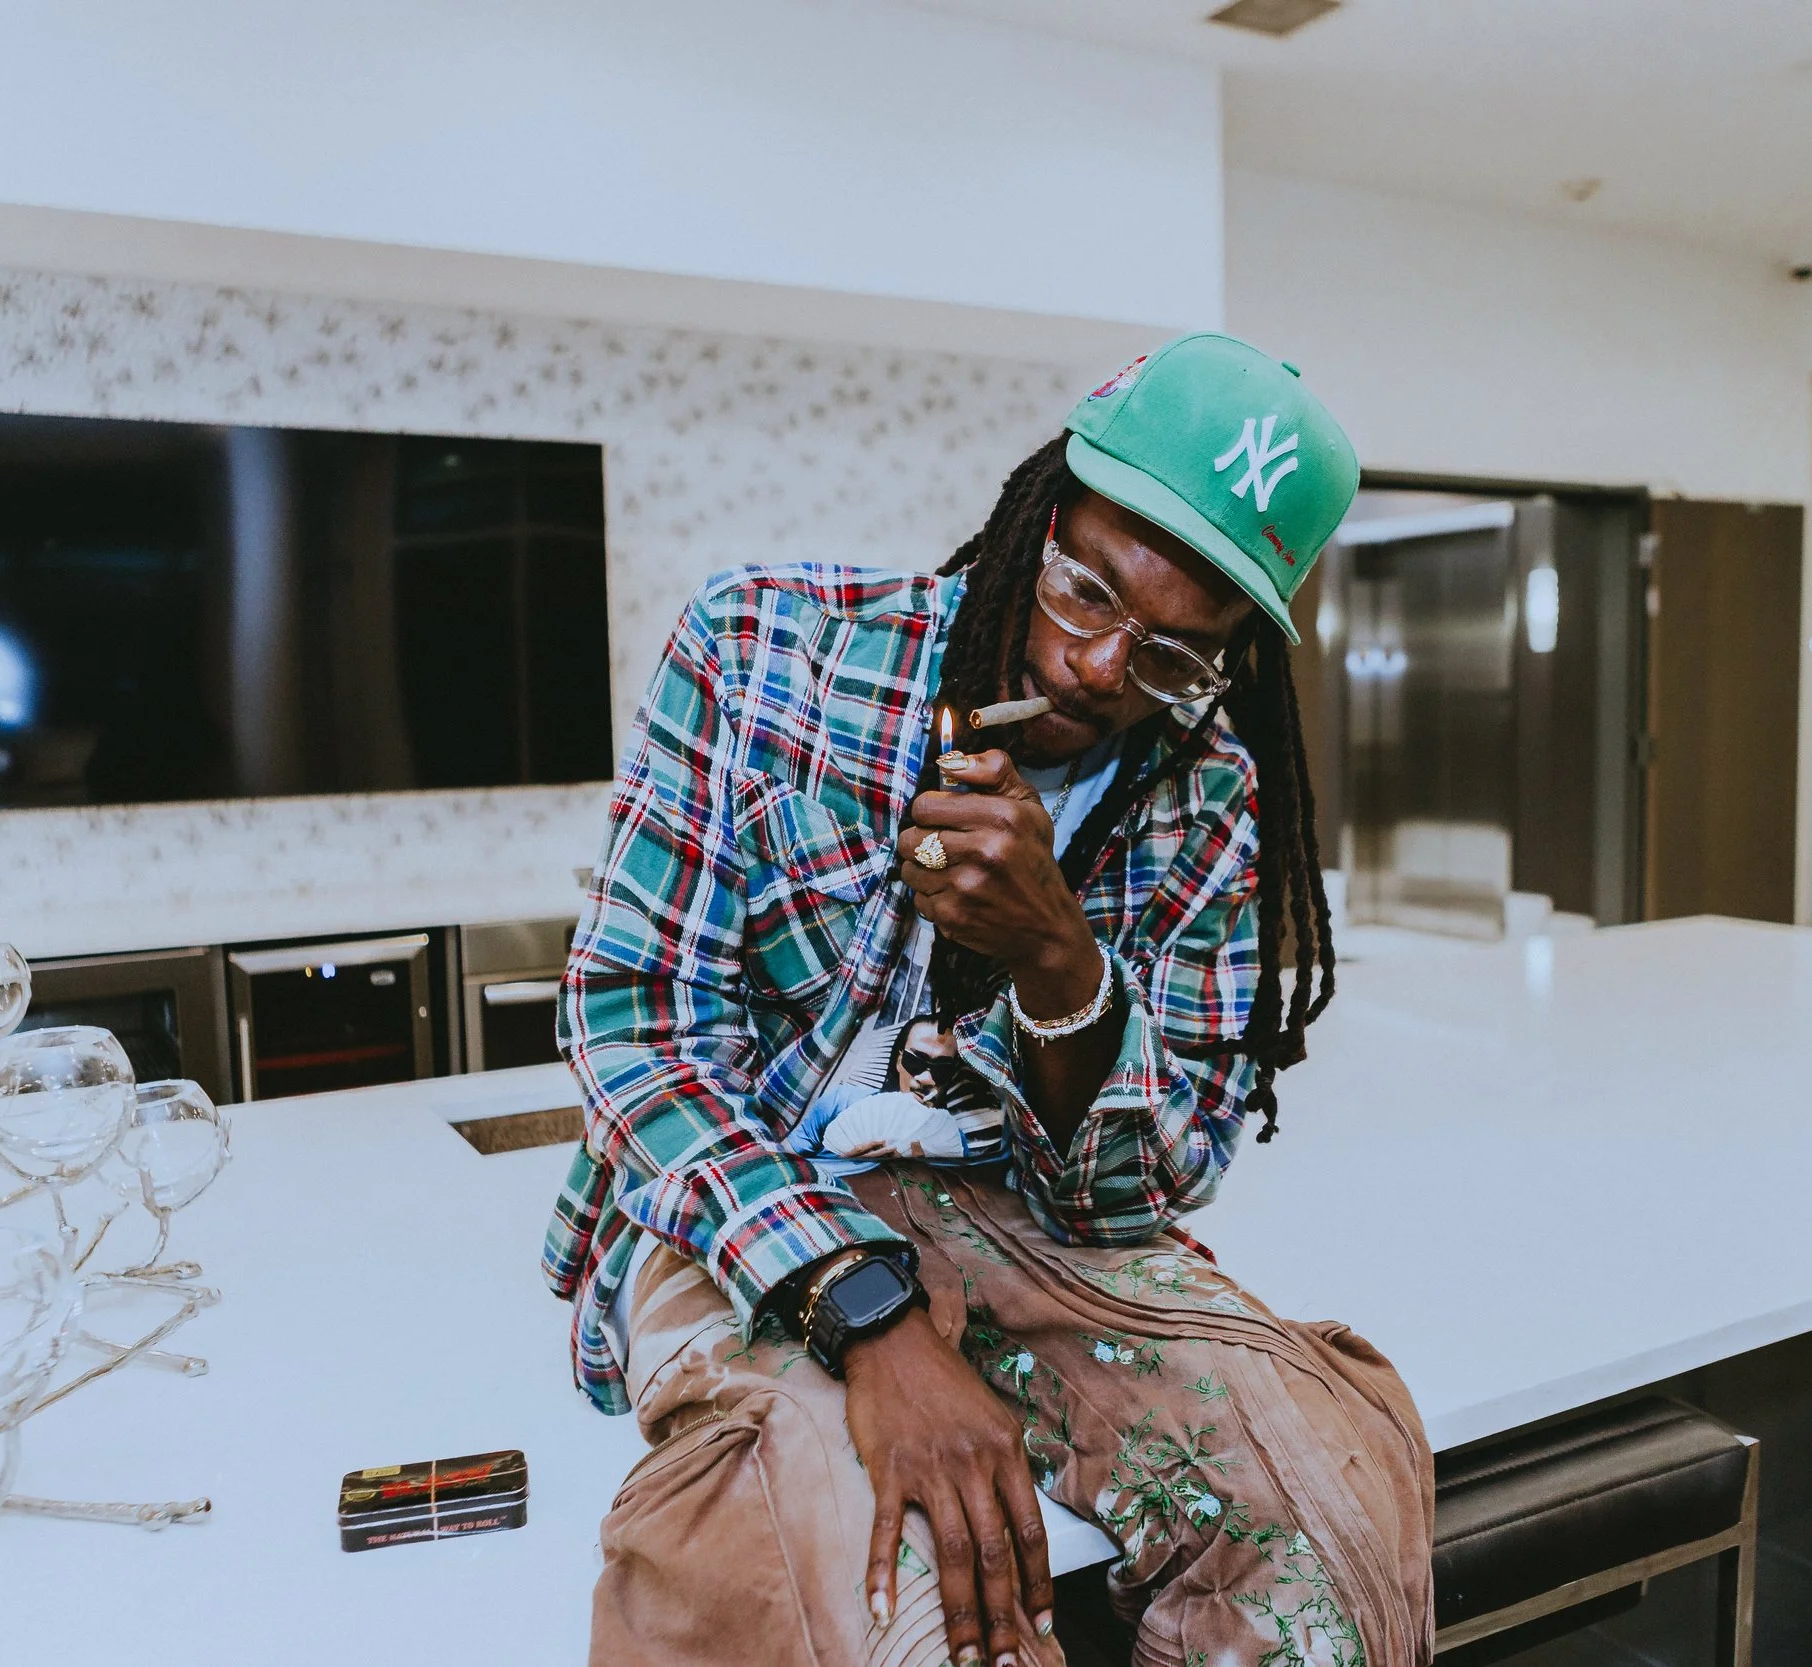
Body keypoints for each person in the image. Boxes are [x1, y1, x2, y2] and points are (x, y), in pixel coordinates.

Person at [544, 333, 1434, 1666]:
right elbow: (635, 1034)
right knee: (916, 1610)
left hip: (1021, 1222)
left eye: (1177, 656)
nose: (1099, 667)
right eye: (1086, 588)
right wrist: (871, 1313)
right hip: (747, 1204)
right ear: (1041, 510)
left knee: (1328, 1519)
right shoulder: (764, 652)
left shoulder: (1208, 798)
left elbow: (1137, 1200)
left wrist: (1059, 963)